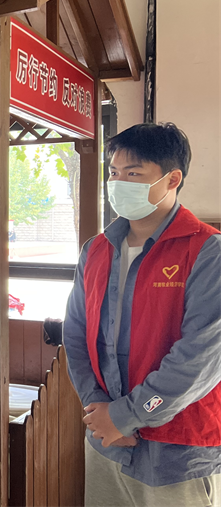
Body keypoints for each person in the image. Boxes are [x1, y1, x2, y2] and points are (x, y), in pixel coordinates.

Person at [62, 123, 221, 507]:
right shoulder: (95, 250)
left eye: (133, 174)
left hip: (178, 450)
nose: (118, 183)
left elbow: (200, 358)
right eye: (114, 173)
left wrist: (125, 416)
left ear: (172, 179)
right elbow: (76, 333)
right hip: (105, 441)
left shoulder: (207, 252)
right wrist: (98, 409)